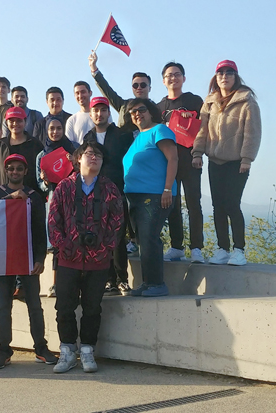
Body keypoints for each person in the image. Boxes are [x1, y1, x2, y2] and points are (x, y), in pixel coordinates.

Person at [48, 141, 123, 373]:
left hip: (98, 260)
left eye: (98, 155)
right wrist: (64, 245)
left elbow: (118, 222)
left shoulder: (110, 189)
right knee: (64, 307)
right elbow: (53, 220)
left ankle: (88, 350)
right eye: (89, 154)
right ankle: (68, 350)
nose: (93, 158)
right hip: (68, 258)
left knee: (92, 307)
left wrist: (105, 248)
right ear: (78, 158)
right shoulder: (64, 187)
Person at [0, 154, 57, 368]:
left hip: (27, 258)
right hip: (3, 258)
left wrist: (40, 258)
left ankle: (41, 348)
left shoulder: (34, 196)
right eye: (11, 169)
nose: (15, 172)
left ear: (26, 171)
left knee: (35, 305)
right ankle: (4, 350)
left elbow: (39, 229)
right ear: (6, 170)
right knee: (3, 307)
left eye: (19, 168)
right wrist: (11, 199)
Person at [192, 60, 261, 266]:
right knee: (217, 206)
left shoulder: (247, 101)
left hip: (237, 162)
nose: (224, 76)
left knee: (232, 204)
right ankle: (223, 249)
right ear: (216, 77)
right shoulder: (210, 102)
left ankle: (238, 250)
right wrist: (197, 153)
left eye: (229, 72)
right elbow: (202, 130)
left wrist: (247, 158)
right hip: (215, 161)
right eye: (220, 72)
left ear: (236, 76)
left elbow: (252, 133)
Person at [122, 99, 178, 297]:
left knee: (149, 237)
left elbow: (173, 158)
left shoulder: (159, 130)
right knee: (142, 240)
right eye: (133, 112)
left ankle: (157, 284)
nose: (137, 114)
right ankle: (148, 283)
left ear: (151, 112)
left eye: (141, 109)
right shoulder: (138, 137)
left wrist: (167, 189)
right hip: (135, 197)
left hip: (154, 195)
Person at [83, 97, 133, 296]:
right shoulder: (88, 138)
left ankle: (122, 279)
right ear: (91, 114)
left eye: (103, 110)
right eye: (95, 110)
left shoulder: (122, 135)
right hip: (95, 194)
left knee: (118, 238)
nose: (99, 114)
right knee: (101, 238)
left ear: (108, 112)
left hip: (118, 192)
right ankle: (109, 280)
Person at [157, 62, 205, 264]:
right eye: (169, 75)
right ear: (163, 80)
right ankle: (176, 246)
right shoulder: (159, 107)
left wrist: (198, 154)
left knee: (194, 204)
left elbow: (203, 129)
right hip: (169, 163)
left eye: (177, 74)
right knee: (172, 205)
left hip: (190, 160)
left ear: (184, 78)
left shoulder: (193, 101)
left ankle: (196, 248)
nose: (173, 78)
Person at [36, 116, 78, 297]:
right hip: (53, 199)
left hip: (74, 199)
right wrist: (45, 181)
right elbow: (40, 184)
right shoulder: (42, 155)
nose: (55, 132)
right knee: (56, 244)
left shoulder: (73, 149)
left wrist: (74, 162)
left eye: (58, 128)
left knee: (75, 240)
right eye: (51, 128)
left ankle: (76, 284)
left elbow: (84, 174)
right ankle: (55, 284)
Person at [89, 50, 152, 132]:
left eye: (143, 85)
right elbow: (107, 91)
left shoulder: (157, 108)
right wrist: (94, 69)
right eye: (135, 85)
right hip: (125, 143)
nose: (139, 88)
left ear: (149, 88)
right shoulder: (124, 106)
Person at [0, 107, 44, 198]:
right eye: (11, 121)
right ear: (6, 123)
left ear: (25, 122)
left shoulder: (35, 144)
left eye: (19, 121)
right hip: (3, 198)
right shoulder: (1, 145)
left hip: (30, 197)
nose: (15, 124)